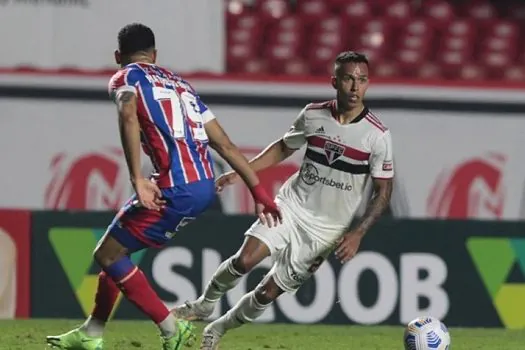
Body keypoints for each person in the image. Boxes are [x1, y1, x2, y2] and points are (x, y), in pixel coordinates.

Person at [46, 23, 281, 350]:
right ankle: (93, 332)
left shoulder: (126, 77)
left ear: (118, 56)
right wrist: (259, 192)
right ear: (155, 55)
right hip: (202, 186)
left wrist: (137, 179)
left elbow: (128, 116)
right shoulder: (184, 86)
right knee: (120, 251)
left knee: (107, 254)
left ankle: (172, 329)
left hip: (175, 186)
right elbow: (225, 145)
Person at [171, 51, 394, 349]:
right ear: (334, 82)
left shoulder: (377, 136)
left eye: (362, 80)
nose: (355, 88)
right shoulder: (314, 114)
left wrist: (358, 232)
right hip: (291, 205)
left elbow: (383, 192)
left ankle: (218, 328)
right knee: (245, 259)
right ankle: (204, 304)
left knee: (266, 294)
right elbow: (282, 148)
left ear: (368, 84)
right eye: (348, 79)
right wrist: (241, 173)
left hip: (327, 230)